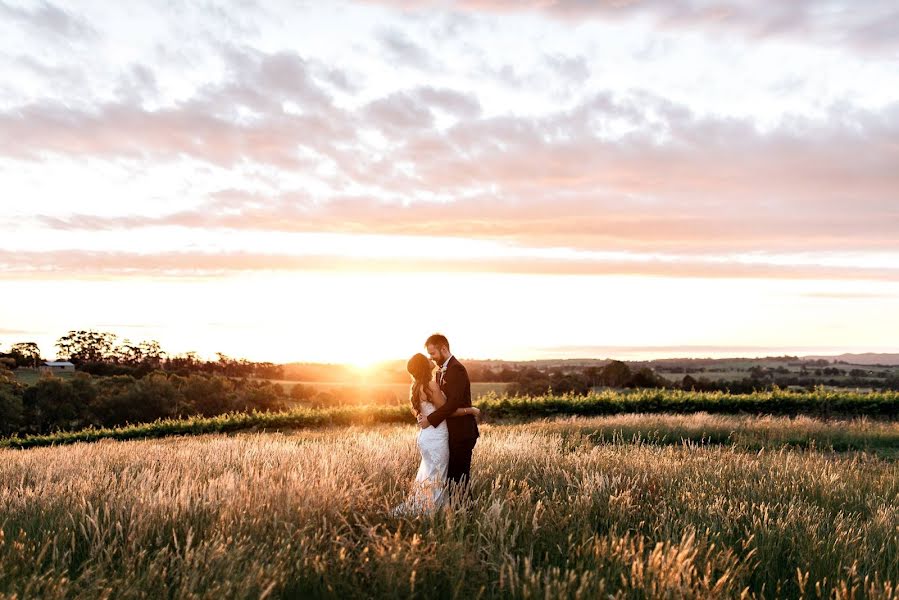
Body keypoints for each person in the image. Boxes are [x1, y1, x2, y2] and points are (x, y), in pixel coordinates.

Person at [393, 352, 479, 516]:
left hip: (426, 436)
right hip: (437, 436)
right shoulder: (431, 385)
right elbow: (448, 411)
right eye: (427, 358)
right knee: (438, 477)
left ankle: (428, 508)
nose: (430, 358)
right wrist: (471, 410)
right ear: (424, 366)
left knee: (431, 475)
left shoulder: (416, 386)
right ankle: (430, 513)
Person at [416, 333, 479, 502]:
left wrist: (430, 419)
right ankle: (454, 513)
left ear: (443, 349)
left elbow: (451, 404)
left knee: (460, 478)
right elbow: (440, 404)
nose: (431, 357)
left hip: (462, 432)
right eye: (429, 355)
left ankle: (467, 515)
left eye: (433, 353)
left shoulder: (456, 369)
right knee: (451, 478)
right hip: (447, 433)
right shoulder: (439, 372)